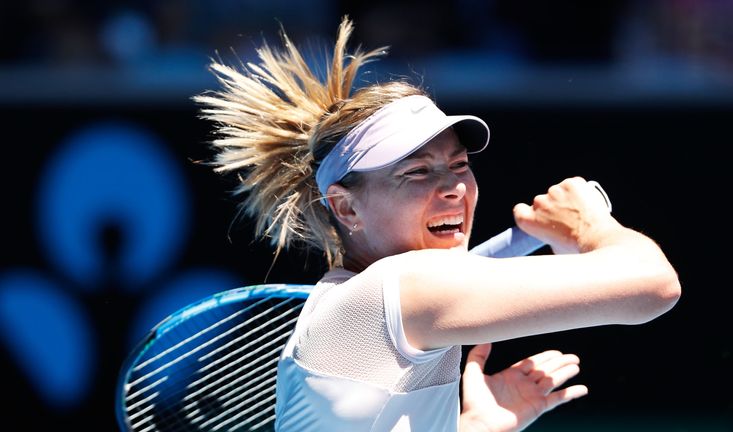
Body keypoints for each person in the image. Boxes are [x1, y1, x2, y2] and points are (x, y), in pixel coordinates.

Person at [194, 16, 681, 432]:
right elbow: (654, 287)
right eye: (417, 172)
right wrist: (590, 226)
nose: (454, 188)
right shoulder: (404, 287)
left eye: (460, 164)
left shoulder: (370, 302)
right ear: (346, 208)